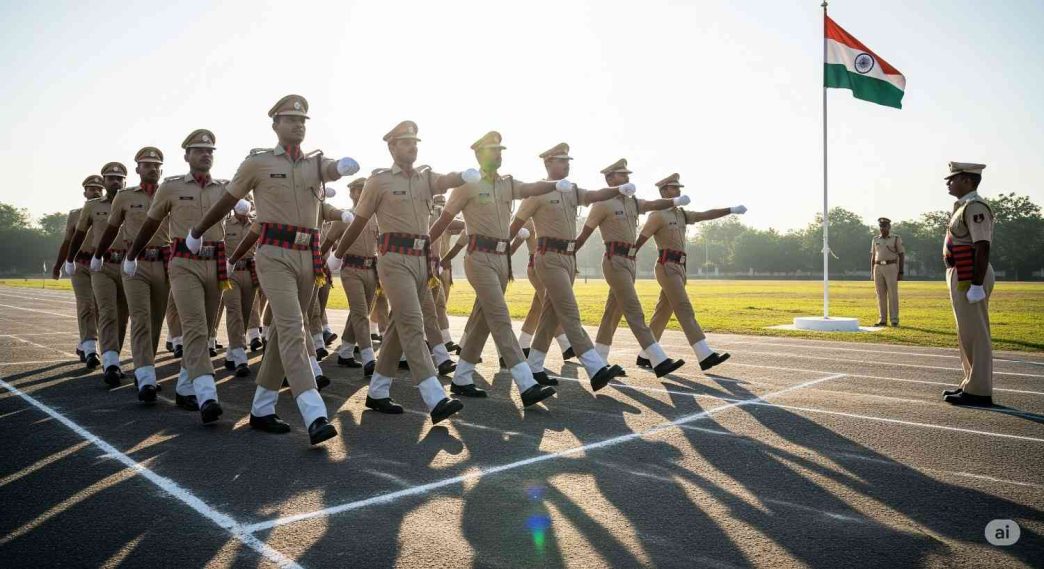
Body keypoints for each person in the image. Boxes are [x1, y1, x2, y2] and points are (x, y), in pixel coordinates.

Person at [191, 95, 358, 445]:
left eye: (302, 120)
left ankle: (263, 407)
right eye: (289, 119)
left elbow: (328, 168)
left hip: (307, 255)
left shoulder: (315, 163)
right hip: (274, 253)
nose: (298, 124)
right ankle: (313, 412)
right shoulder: (258, 163)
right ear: (275, 125)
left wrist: (340, 166)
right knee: (292, 327)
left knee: (284, 334)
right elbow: (226, 199)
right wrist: (196, 231)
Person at [331, 120, 477, 421]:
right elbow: (358, 221)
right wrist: (338, 254)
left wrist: (462, 175)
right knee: (412, 323)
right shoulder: (378, 182)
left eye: (415, 142)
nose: (413, 146)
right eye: (406, 142)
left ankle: (378, 391)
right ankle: (435, 397)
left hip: (421, 260)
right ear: (392, 147)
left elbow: (444, 180)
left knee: (399, 326)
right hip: (393, 259)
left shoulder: (425, 178)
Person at [427, 131, 568, 406]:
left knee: (482, 320)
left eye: (500, 150)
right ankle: (526, 384)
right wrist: (423, 247)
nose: (498, 155)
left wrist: (553, 184)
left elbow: (530, 188)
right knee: (501, 317)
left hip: (501, 259)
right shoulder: (466, 186)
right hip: (478, 257)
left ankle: (462, 377)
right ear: (479, 155)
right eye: (493, 150)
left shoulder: (507, 184)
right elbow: (444, 220)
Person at [508, 143, 632, 390]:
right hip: (549, 257)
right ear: (548, 164)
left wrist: (618, 189)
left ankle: (534, 366)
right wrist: (502, 251)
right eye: (562, 160)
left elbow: (594, 195)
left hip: (567, 258)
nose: (567, 164)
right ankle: (596, 368)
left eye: (568, 161)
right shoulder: (537, 192)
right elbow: (515, 224)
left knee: (550, 315)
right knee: (569, 311)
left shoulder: (572, 190)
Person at [127, 129, 228, 423]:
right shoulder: (170, 188)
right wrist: (132, 254)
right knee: (195, 327)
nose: (205, 155)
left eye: (210, 150)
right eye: (199, 150)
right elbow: (150, 223)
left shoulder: (223, 189)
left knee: (205, 329)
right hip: (184, 262)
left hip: (215, 261)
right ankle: (207, 394)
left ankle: (185, 386)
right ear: (186, 156)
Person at [574, 158, 687, 376]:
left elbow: (654, 205)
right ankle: (658, 359)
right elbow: (585, 234)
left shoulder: (631, 202)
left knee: (613, 312)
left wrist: (675, 202)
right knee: (634, 310)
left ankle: (599, 360)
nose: (627, 178)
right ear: (610, 179)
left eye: (628, 175)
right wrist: (571, 257)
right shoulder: (602, 203)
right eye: (622, 175)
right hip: (614, 260)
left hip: (629, 262)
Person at [634, 173, 746, 372]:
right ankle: (704, 354)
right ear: (665, 191)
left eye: (678, 188)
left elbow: (705, 215)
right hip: (666, 266)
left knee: (663, 312)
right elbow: (641, 239)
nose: (679, 191)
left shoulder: (681, 214)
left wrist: (731, 210)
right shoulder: (657, 215)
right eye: (675, 188)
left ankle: (645, 355)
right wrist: (628, 257)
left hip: (680, 268)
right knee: (684, 308)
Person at [94, 147, 170, 402]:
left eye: (156, 164)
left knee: (157, 320)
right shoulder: (125, 197)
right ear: (137, 169)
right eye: (146, 164)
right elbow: (112, 228)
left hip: (163, 262)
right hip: (134, 264)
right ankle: (146, 377)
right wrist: (98, 254)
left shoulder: (171, 193)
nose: (152, 168)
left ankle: (144, 369)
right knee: (140, 317)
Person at [65, 162, 130, 386]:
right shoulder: (89, 208)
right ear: (104, 181)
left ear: (125, 181)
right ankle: (105, 359)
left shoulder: (132, 202)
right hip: (98, 264)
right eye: (110, 178)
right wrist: (67, 260)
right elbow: (73, 238)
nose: (115, 181)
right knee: (102, 310)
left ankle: (113, 356)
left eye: (119, 178)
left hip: (126, 264)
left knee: (123, 316)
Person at [940, 162, 995, 407]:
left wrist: (976, 284)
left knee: (977, 333)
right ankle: (970, 383)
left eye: (953, 178)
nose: (948, 182)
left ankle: (980, 390)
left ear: (967, 180)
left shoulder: (975, 207)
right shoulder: (961, 207)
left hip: (971, 274)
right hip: (960, 271)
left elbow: (982, 245)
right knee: (966, 332)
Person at [55, 176, 102, 370]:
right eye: (91, 189)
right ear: (84, 192)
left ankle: (83, 343)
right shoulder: (75, 214)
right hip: (80, 263)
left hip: (100, 264)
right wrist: (58, 265)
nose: (95, 192)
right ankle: (91, 349)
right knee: (86, 304)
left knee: (101, 307)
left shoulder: (108, 211)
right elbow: (67, 241)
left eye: (99, 188)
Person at [221, 198, 258, 377]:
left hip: (250, 271)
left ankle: (231, 355)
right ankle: (240, 357)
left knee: (244, 313)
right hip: (231, 272)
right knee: (234, 311)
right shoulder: (225, 224)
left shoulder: (256, 224)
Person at [870, 217, 904, 327]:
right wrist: (872, 271)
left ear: (889, 227)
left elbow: (901, 254)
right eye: (881, 226)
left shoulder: (895, 238)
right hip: (878, 267)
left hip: (891, 266)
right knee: (880, 295)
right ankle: (882, 319)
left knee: (892, 294)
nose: (882, 228)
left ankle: (894, 319)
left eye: (884, 226)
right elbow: (873, 256)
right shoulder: (875, 239)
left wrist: (901, 271)